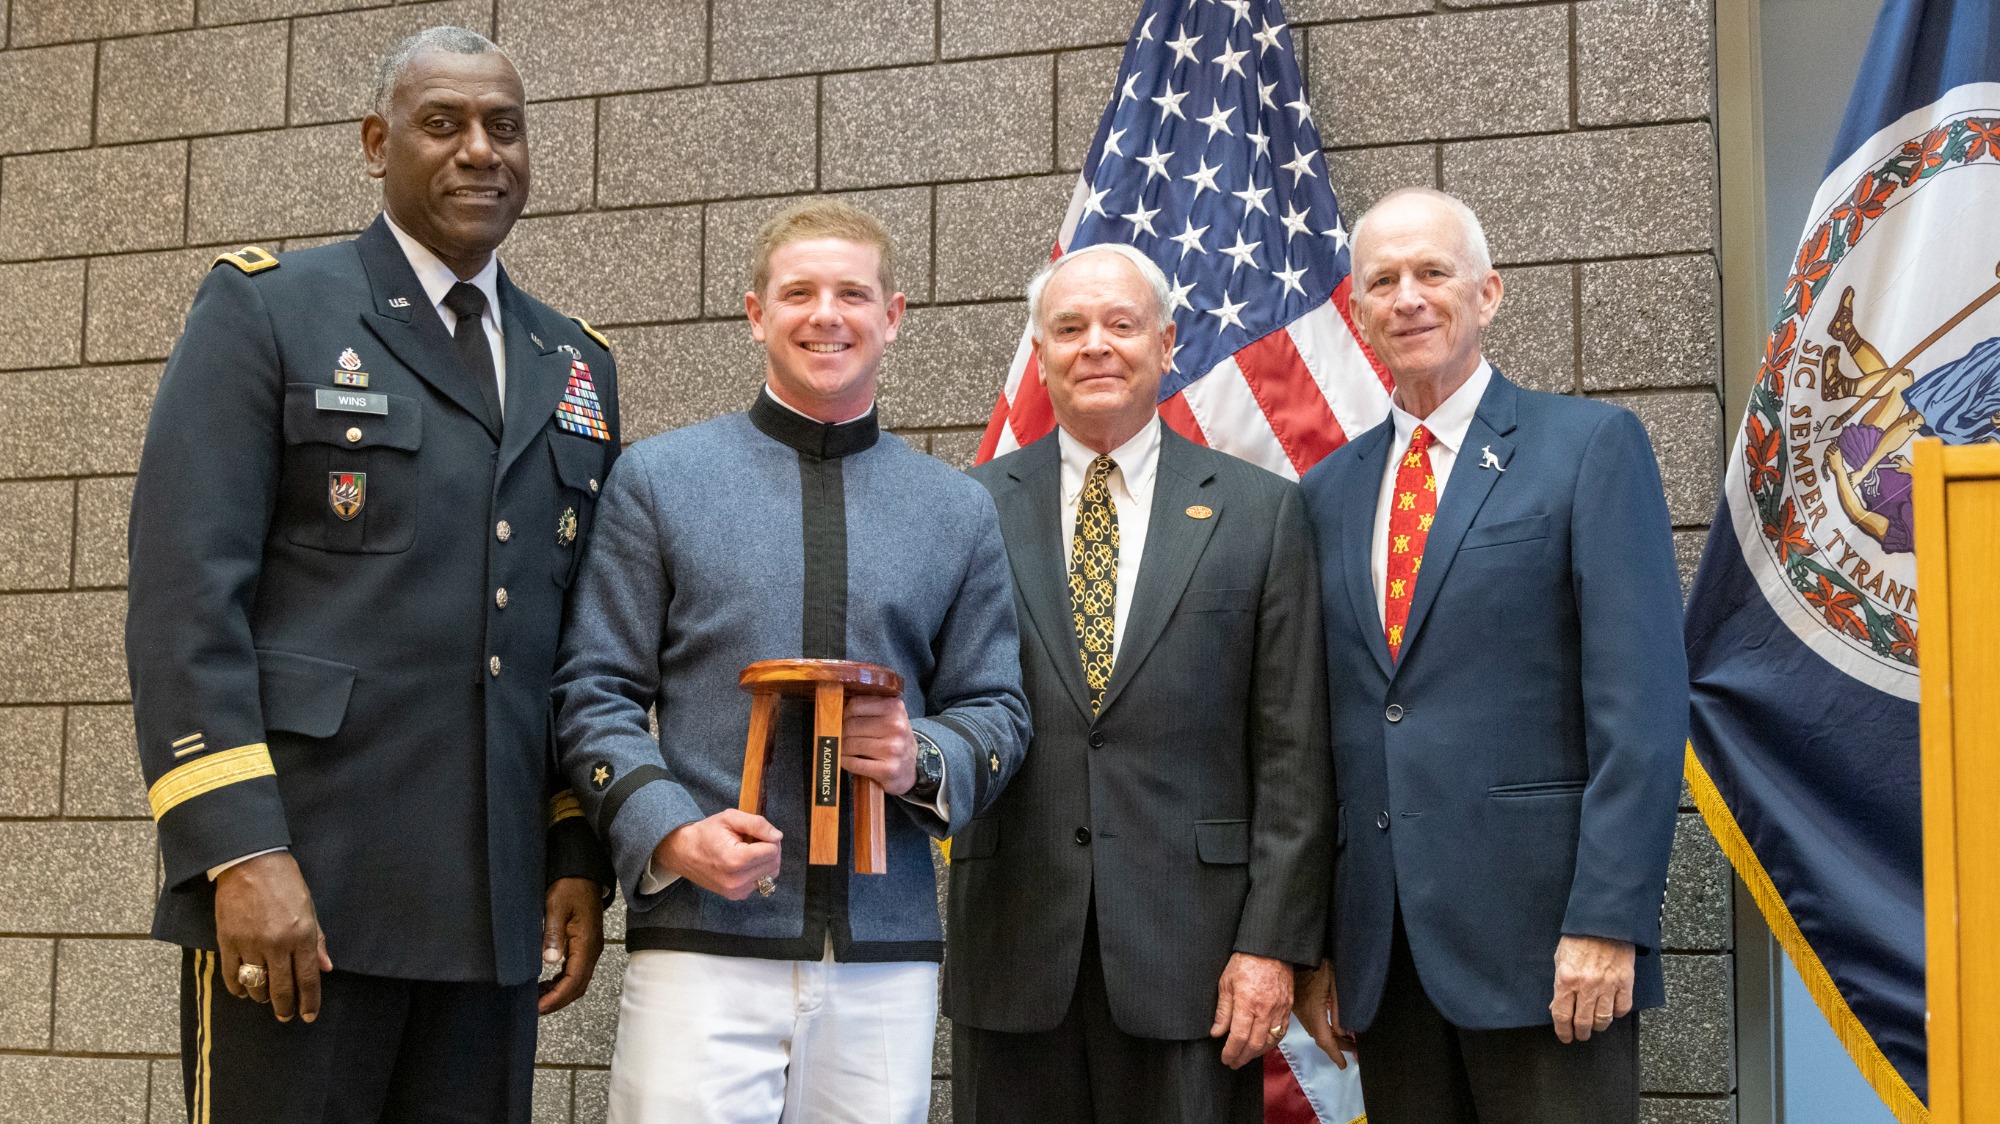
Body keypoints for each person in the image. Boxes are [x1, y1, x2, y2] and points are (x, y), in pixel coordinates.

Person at [126, 26, 615, 1123]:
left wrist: (573, 848)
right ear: (374, 141)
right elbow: (183, 605)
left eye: (504, 126)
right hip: (304, 893)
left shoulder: (574, 362)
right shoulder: (269, 308)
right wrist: (238, 851)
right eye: (442, 124)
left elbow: (566, 637)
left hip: (490, 912)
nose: (479, 150)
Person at [551, 197, 1031, 1124]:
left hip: (882, 955)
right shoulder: (660, 481)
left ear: (893, 317)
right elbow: (595, 691)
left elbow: (998, 709)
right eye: (799, 291)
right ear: (754, 313)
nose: (826, 314)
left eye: (853, 293)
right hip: (701, 943)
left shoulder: (956, 509)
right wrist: (671, 835)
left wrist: (918, 756)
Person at [1294, 187, 1686, 1124]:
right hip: (1386, 958)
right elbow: (1316, 733)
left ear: (1489, 293)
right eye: (1382, 280)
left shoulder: (1588, 447)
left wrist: (1607, 919)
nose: (1408, 298)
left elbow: (1642, 709)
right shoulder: (1324, 493)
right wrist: (1318, 946)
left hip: (1551, 952)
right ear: (1358, 312)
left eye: (1433, 273)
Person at [945, 242, 1334, 1124]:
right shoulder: (968, 509)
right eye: (1070, 327)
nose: (1096, 345)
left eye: (1121, 325)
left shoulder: (1262, 512)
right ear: (1039, 354)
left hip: (1194, 961)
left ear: (1167, 344)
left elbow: (1294, 755)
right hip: (1013, 951)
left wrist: (1273, 946)